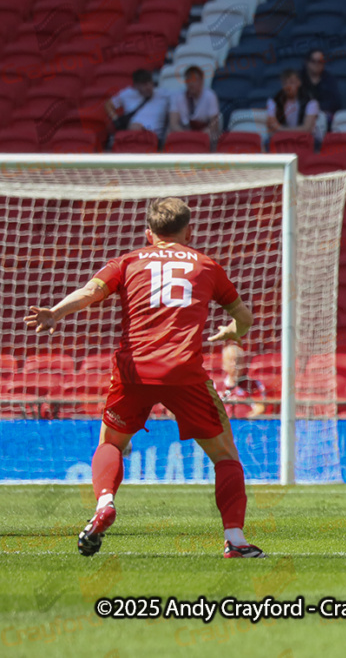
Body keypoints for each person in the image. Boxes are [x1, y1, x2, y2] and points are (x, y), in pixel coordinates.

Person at [24, 198, 265, 558]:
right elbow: (244, 316)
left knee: (110, 443)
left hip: (134, 369)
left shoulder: (129, 261)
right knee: (226, 456)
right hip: (184, 372)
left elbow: (91, 292)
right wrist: (231, 332)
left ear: (149, 233)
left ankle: (104, 503)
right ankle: (235, 539)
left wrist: (56, 312)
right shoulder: (207, 265)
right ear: (188, 231)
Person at [104, 69, 169, 137]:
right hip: (132, 135)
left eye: (150, 83)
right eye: (144, 85)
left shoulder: (163, 94)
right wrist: (115, 119)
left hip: (153, 138)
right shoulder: (128, 93)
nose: (149, 87)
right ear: (136, 86)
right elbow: (108, 104)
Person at [167, 65, 221, 142]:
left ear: (202, 81)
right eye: (188, 80)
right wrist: (188, 135)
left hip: (203, 132)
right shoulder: (177, 96)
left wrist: (198, 136)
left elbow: (214, 124)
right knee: (169, 132)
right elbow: (173, 123)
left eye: (194, 80)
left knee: (213, 133)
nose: (191, 84)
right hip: (184, 131)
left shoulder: (210, 96)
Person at [216, 344, 267, 418]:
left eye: (238, 360)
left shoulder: (253, 385)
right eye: (231, 360)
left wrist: (244, 423)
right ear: (223, 364)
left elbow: (260, 408)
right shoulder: (216, 386)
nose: (235, 364)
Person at [266, 69, 319, 139]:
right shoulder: (273, 102)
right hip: (282, 140)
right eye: (285, 83)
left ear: (299, 83)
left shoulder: (311, 102)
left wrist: (280, 129)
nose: (288, 86)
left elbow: (307, 129)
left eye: (291, 82)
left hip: (303, 139)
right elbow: (272, 126)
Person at [300, 49, 340, 123]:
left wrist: (316, 108)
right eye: (313, 61)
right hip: (302, 116)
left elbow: (335, 102)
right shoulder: (298, 78)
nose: (317, 64)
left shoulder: (329, 80)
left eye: (320, 62)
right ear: (307, 62)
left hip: (323, 116)